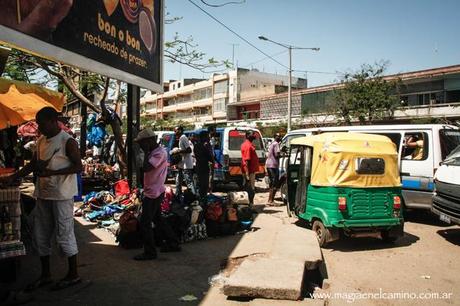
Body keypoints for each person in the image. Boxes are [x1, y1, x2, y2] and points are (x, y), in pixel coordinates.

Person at [0, 107, 82, 290]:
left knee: (64, 233)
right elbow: (33, 164)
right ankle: (46, 275)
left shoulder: (68, 141)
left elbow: (78, 167)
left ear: (53, 121)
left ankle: (73, 274)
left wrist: (53, 173)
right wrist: (13, 177)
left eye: (42, 123)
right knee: (41, 234)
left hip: (61, 195)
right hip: (44, 193)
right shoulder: (41, 141)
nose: (39, 127)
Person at [133, 128, 181, 261]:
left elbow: (147, 168)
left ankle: (150, 252)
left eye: (142, 143)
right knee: (158, 219)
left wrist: (147, 150)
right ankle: (173, 242)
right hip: (154, 190)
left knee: (145, 223)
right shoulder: (155, 152)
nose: (141, 146)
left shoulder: (159, 153)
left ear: (148, 141)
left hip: (154, 193)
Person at [171, 126, 196, 196]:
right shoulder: (181, 138)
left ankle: (193, 198)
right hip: (181, 165)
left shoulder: (183, 138)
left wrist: (178, 151)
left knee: (189, 183)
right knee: (178, 181)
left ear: (180, 130)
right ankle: (178, 196)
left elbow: (189, 150)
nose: (174, 132)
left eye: (175, 131)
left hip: (186, 165)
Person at [241, 130, 260, 208]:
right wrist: (247, 174)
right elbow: (247, 161)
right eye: (253, 134)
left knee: (249, 189)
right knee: (251, 190)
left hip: (250, 171)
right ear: (248, 136)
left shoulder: (248, 144)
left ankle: (249, 206)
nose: (254, 136)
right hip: (249, 171)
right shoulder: (248, 146)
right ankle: (250, 206)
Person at [193, 131, 213, 203]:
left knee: (202, 185)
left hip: (200, 167)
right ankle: (202, 201)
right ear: (204, 137)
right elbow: (211, 158)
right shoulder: (203, 146)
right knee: (204, 186)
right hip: (203, 167)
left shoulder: (197, 146)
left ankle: (201, 200)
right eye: (207, 136)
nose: (209, 138)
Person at [266, 133, 282, 205]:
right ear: (275, 137)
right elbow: (277, 154)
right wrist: (283, 154)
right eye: (278, 136)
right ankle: (271, 200)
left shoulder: (272, 143)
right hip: (273, 165)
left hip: (269, 165)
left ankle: (270, 200)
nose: (280, 137)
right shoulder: (276, 144)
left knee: (272, 183)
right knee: (274, 183)